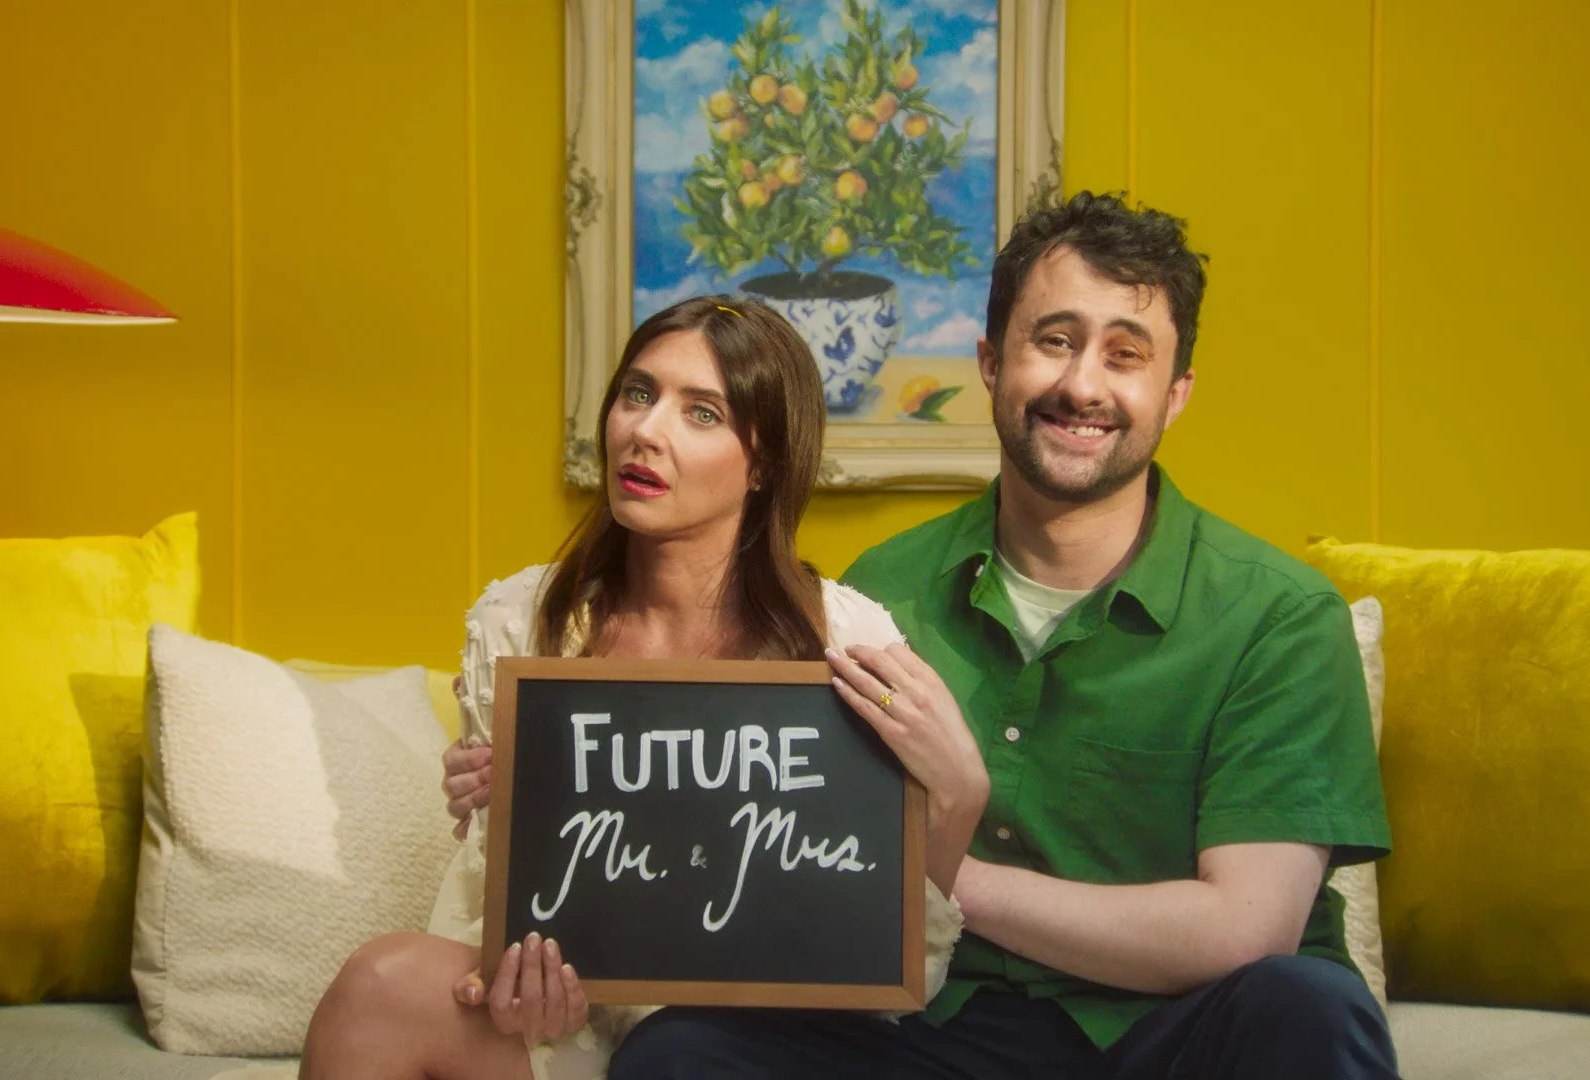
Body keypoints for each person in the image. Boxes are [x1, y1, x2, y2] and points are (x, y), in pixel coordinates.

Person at [448, 194, 1398, 1078]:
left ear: (1176, 392)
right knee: (681, 1052)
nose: (1081, 384)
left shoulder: (1279, 617)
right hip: (932, 1036)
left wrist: (939, 869)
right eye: (1053, 340)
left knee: (1308, 1003)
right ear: (990, 362)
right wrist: (547, 781)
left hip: (1175, 1034)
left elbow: (1245, 931)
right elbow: (754, 828)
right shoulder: (876, 598)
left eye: (1125, 354)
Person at [300, 295, 987, 1080]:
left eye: (701, 413)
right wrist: (520, 972)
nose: (645, 431)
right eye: (638, 393)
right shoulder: (519, 621)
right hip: (568, 1021)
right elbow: (510, 890)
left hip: (749, 1041)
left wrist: (956, 801)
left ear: (764, 463)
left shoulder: (848, 640)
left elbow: (892, 970)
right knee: (381, 983)